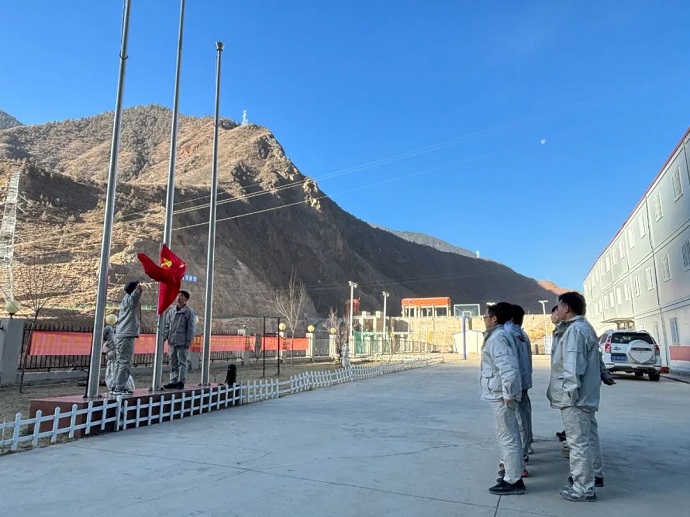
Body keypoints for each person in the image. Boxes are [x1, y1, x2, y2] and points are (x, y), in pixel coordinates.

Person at [547, 292, 603, 502]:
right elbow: (595, 357)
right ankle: (594, 474)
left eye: (559, 307)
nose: (557, 311)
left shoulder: (574, 331)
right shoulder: (585, 327)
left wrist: (569, 395)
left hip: (576, 398)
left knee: (577, 443)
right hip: (586, 395)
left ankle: (583, 487)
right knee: (588, 438)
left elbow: (572, 366)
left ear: (567, 308)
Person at [481, 302, 525, 495]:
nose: (484, 319)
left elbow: (508, 368)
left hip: (501, 395)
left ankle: (513, 480)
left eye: (486, 316)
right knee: (510, 435)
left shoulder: (498, 338)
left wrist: (508, 393)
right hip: (500, 393)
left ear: (494, 318)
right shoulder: (499, 336)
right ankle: (513, 472)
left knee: (507, 437)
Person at [506, 304, 533, 459]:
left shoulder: (508, 334)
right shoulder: (522, 334)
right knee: (524, 414)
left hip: (515, 382)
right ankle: (527, 443)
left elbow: (508, 363)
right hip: (524, 380)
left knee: (518, 418)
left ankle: (522, 452)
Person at [111, 280, 143, 396]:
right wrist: (138, 291)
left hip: (121, 334)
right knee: (125, 362)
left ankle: (115, 385)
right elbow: (135, 296)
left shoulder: (125, 299)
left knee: (119, 361)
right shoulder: (131, 300)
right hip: (126, 335)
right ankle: (119, 387)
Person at [163, 290, 196, 390]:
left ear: (186, 299)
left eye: (181, 296)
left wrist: (189, 340)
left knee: (182, 362)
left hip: (182, 341)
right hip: (172, 341)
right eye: (178, 295)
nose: (179, 297)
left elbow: (191, 328)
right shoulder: (171, 311)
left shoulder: (189, 312)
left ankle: (181, 381)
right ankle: (173, 381)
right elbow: (167, 325)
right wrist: (165, 337)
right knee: (173, 362)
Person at [103, 325, 135, 392]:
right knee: (119, 373)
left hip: (115, 363)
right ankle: (120, 387)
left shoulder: (111, 343)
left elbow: (111, 355)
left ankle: (118, 387)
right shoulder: (115, 341)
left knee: (116, 374)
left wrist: (107, 353)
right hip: (116, 362)